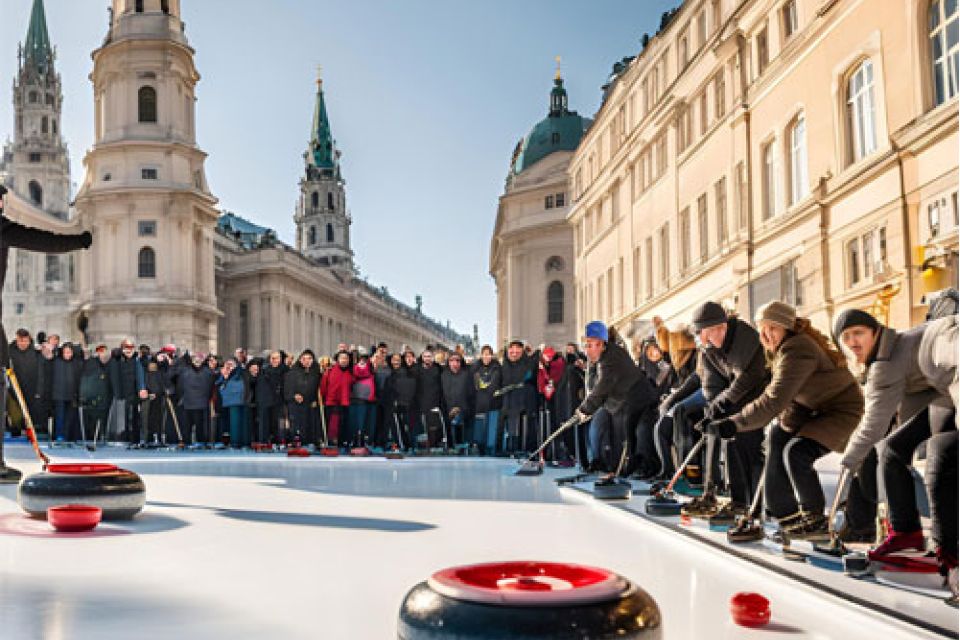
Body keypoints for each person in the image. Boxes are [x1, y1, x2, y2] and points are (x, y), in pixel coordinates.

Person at [706, 302, 863, 537]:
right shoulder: (780, 349)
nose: (766, 335)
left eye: (773, 328)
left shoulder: (797, 349)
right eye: (762, 329)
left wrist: (735, 422)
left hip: (840, 409)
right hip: (811, 407)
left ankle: (815, 519)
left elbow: (774, 399)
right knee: (776, 439)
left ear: (787, 327)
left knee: (797, 452)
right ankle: (786, 515)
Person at [835, 309, 957, 580]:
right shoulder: (895, 348)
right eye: (846, 337)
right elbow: (905, 409)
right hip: (944, 395)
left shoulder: (886, 361)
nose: (853, 341)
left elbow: (872, 425)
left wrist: (848, 463)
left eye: (858, 333)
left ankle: (948, 551)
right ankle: (906, 534)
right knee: (892, 448)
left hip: (951, 390)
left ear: (875, 331)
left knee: (940, 455)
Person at [688, 301, 768, 511]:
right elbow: (711, 384)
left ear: (720, 327)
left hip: (760, 394)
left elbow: (748, 377)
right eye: (700, 335)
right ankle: (732, 498)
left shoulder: (745, 336)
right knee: (723, 437)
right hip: (734, 397)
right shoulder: (709, 348)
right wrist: (713, 408)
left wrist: (724, 402)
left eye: (705, 334)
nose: (703, 340)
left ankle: (756, 504)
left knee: (746, 443)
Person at [575, 321, 656, 476]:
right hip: (623, 400)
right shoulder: (603, 358)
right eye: (586, 345)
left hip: (637, 397)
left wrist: (584, 408)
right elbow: (593, 385)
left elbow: (602, 386)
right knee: (624, 433)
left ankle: (637, 467)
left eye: (590, 344)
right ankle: (622, 467)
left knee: (631, 433)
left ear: (600, 343)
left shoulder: (611, 358)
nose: (587, 349)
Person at [500, 339, 538, 453]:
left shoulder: (529, 364)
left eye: (518, 348)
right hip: (507, 405)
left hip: (525, 405)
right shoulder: (503, 366)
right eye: (512, 348)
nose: (514, 351)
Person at [79, 344, 114, 447]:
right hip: (92, 397)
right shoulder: (91, 363)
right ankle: (94, 438)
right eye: (100, 351)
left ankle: (102, 437)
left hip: (105, 396)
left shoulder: (110, 363)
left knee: (104, 418)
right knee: (92, 420)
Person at [179, 351, 217, 445]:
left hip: (200, 403)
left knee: (200, 426)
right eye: (195, 359)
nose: (197, 361)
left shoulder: (208, 372)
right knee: (188, 426)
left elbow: (211, 387)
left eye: (199, 359)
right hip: (190, 402)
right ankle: (192, 442)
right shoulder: (186, 371)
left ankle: (200, 442)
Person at [284, 350, 321, 447]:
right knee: (298, 426)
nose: (307, 361)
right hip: (297, 405)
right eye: (304, 359)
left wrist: (316, 400)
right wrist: (294, 396)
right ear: (300, 360)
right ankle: (297, 442)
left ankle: (312, 442)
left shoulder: (317, 373)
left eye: (309, 358)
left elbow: (320, 389)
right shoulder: (292, 372)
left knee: (312, 425)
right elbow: (287, 389)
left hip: (311, 404)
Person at [472, 345, 502, 455]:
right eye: (484, 354)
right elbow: (475, 385)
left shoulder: (497, 367)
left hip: (493, 404)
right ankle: (479, 447)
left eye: (489, 354)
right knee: (479, 428)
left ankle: (491, 448)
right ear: (481, 355)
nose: (487, 356)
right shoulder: (475, 368)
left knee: (491, 429)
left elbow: (495, 384)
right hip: (479, 404)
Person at [441, 352, 473, 447]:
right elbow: (441, 394)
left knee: (461, 440)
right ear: (448, 362)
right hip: (447, 411)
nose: (455, 363)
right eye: (452, 360)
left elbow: (470, 394)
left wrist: (461, 409)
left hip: (464, 411)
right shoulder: (443, 375)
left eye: (457, 361)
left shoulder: (467, 375)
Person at [51, 343, 83, 442]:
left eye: (69, 352)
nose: (67, 354)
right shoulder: (56, 362)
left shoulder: (76, 363)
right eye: (65, 352)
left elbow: (78, 379)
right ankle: (59, 435)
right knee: (59, 417)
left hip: (71, 394)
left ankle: (68, 435)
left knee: (69, 417)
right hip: (59, 394)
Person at [319, 350, 352, 446]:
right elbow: (323, 387)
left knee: (343, 424)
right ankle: (330, 442)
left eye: (346, 358)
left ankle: (342, 442)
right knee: (332, 425)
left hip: (344, 402)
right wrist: (324, 399)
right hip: (331, 402)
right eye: (342, 358)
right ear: (337, 359)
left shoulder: (350, 373)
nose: (344, 360)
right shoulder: (329, 371)